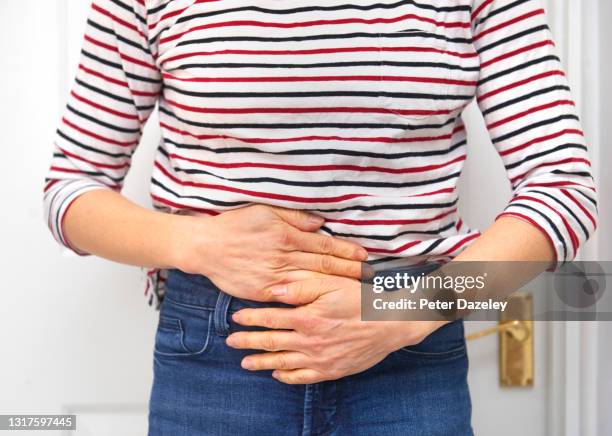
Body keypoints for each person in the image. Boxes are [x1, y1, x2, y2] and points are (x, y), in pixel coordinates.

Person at [43, 0, 597, 434]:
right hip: (218, 353)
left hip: (410, 344)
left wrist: (400, 315)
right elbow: (70, 190)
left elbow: (564, 188)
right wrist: (197, 242)